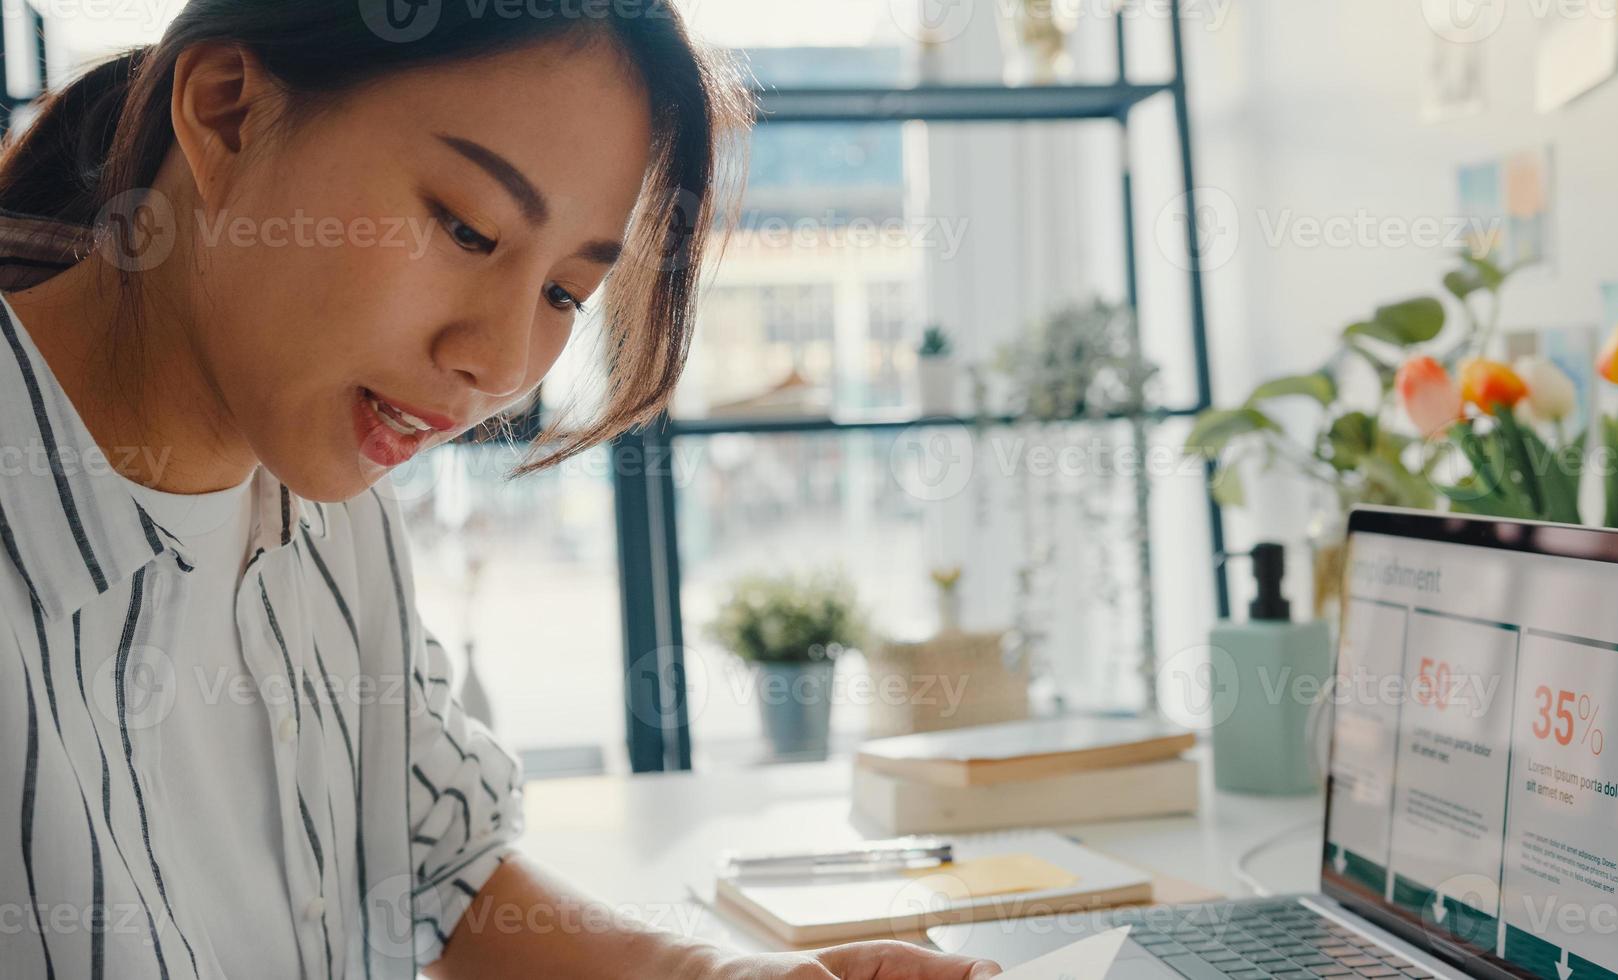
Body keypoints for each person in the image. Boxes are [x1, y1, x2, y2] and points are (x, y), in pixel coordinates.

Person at [0, 2, 1002, 978]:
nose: (500, 361)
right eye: (468, 229)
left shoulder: (331, 499)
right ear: (227, 113)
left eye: (564, 292)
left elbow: (442, 866)